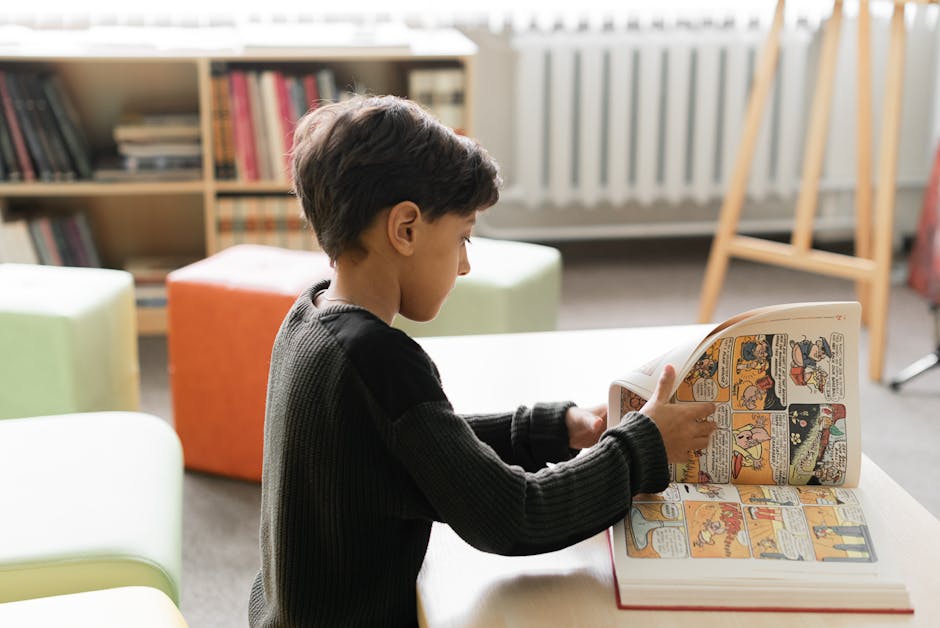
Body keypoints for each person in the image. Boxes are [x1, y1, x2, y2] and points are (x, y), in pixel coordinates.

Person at [247, 94, 716, 627]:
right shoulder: (382, 360)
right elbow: (515, 516)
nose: (466, 264)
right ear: (405, 228)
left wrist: (552, 429)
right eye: (462, 238)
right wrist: (642, 447)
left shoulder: (308, 318)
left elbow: (411, 446)